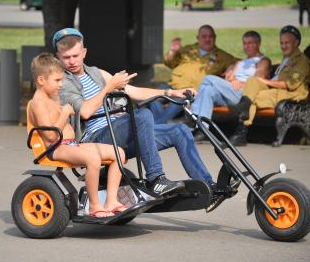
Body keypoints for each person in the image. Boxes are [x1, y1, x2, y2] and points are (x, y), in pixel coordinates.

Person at [53, 28, 231, 212]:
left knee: (180, 131)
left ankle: (209, 188)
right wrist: (109, 87)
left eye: (75, 55)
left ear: (84, 53)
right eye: (66, 57)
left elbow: (134, 92)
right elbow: (85, 112)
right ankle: (156, 179)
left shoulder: (97, 73)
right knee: (142, 116)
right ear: (58, 57)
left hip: (119, 134)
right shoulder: (64, 82)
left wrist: (170, 92)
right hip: (96, 140)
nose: (72, 61)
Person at [28, 52, 127, 218]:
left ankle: (111, 201)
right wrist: (64, 114)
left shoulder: (53, 96)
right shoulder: (38, 103)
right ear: (41, 80)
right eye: (57, 81)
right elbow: (50, 136)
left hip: (70, 144)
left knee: (119, 153)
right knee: (93, 159)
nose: (61, 84)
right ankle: (95, 206)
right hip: (56, 147)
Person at [229, 25, 310, 146]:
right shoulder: (287, 59)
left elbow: (290, 85)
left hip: (288, 94)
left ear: (296, 43)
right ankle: (244, 106)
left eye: (287, 43)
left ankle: (241, 132)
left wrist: (266, 82)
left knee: (253, 98)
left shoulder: (301, 60)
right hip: (275, 90)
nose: (283, 46)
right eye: (281, 43)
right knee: (253, 81)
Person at [191, 30, 271, 142]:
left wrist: (242, 82)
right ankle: (202, 129)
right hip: (230, 92)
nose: (246, 46)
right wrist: (232, 76)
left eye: (250, 43)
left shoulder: (263, 61)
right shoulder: (240, 62)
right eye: (245, 43)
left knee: (207, 78)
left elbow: (258, 80)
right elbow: (228, 78)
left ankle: (192, 117)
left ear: (258, 44)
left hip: (244, 95)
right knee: (208, 89)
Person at [148, 24, 237, 124]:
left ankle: (157, 127)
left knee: (177, 102)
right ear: (198, 38)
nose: (208, 39)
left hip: (190, 92)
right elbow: (169, 63)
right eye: (204, 37)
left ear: (215, 37)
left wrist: (232, 68)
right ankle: (161, 126)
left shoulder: (222, 56)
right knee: (152, 98)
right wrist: (173, 51)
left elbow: (237, 63)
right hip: (172, 86)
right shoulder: (187, 50)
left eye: (210, 36)